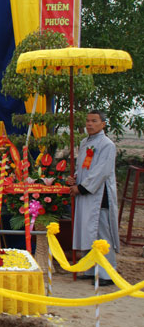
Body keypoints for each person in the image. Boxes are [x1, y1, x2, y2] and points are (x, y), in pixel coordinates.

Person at [67, 110, 119, 286]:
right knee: (87, 230)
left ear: (103, 124)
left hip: (98, 194)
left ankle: (107, 273)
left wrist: (82, 187)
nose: (90, 124)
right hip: (83, 192)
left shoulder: (107, 145)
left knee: (101, 232)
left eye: (94, 121)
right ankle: (90, 269)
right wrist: (74, 178)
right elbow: (84, 167)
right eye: (88, 120)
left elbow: (101, 171)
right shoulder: (84, 142)